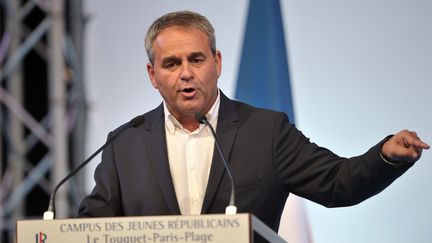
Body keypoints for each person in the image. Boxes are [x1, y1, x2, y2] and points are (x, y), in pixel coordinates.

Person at [78, 10, 429, 234]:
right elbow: (92, 228)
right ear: (153, 75)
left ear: (217, 62)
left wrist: (385, 156)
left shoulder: (266, 131)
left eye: (196, 59)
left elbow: (339, 183)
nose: (186, 73)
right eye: (171, 64)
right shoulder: (125, 142)